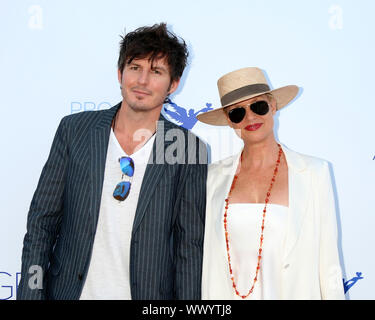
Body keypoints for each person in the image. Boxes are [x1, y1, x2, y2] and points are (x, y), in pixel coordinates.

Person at [17, 23, 207, 300]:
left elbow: (188, 247)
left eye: (156, 72)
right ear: (120, 73)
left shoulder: (188, 148)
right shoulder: (75, 131)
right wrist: (31, 295)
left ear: (173, 84)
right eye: (135, 67)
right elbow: (41, 224)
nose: (142, 81)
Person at [197, 67, 345, 299]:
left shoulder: (315, 173)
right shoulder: (211, 178)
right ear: (229, 121)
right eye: (237, 113)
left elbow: (329, 265)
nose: (250, 117)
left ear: (273, 105)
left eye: (258, 106)